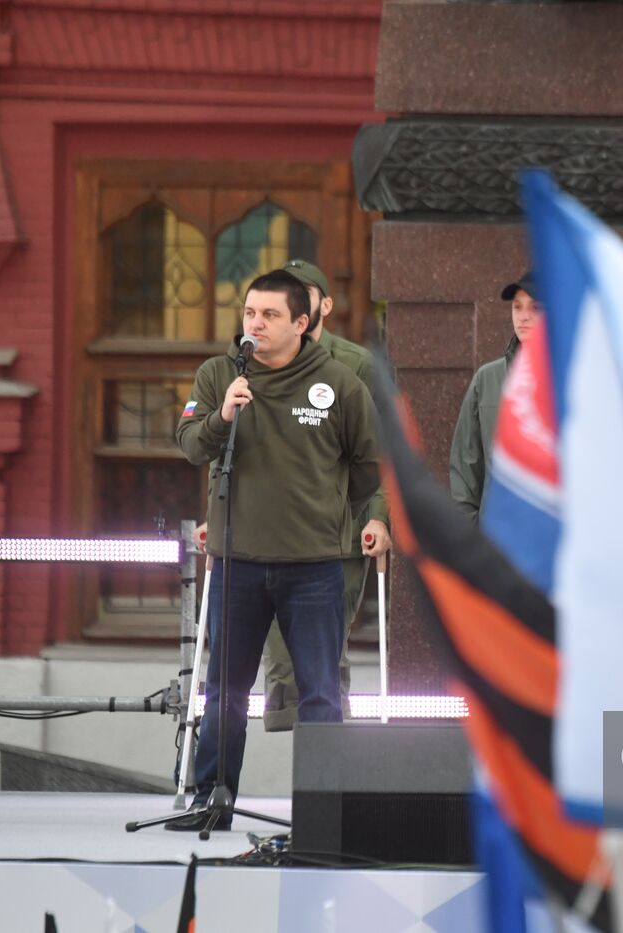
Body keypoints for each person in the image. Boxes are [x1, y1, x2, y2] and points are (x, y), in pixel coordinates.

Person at [170, 269, 379, 830]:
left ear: (302, 323)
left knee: (319, 695)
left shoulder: (339, 384)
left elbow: (370, 470)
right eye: (249, 314)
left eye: (269, 316)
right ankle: (213, 800)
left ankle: (324, 809)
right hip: (238, 561)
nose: (255, 326)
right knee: (224, 693)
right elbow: (191, 444)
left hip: (315, 567)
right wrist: (224, 415)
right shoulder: (220, 376)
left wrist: (376, 518)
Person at [255, 258, 391, 732]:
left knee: (324, 644)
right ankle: (307, 756)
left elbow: (377, 454)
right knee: (282, 649)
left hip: (339, 530)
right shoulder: (253, 361)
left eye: (303, 293)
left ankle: (327, 763)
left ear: (322, 305)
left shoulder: (355, 365)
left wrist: (378, 517)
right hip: (270, 532)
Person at [449, 271, 542, 522]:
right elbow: (465, 467)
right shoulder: (487, 379)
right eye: (517, 307)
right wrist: (473, 534)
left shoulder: (572, 380)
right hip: (498, 540)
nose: (523, 316)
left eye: (535, 308)